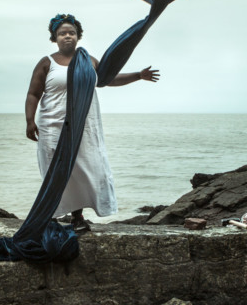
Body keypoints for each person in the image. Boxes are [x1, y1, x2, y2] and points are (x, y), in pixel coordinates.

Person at [25, 13, 159, 232]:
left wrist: (138, 75)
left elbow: (107, 80)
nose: (67, 36)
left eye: (71, 32)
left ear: (78, 36)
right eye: (62, 33)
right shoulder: (46, 63)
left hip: (83, 127)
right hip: (52, 126)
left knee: (83, 169)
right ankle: (48, 213)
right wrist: (30, 121)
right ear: (54, 38)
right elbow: (33, 94)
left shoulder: (88, 61)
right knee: (54, 171)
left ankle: (77, 217)